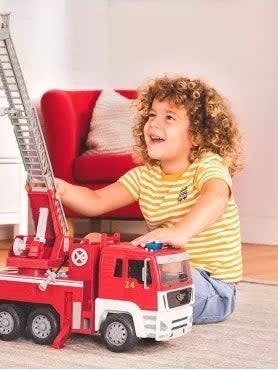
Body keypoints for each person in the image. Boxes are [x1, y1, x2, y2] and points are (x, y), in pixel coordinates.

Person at [53, 75, 243, 324]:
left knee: (145, 285)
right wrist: (61, 189)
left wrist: (179, 232)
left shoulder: (208, 166)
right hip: (163, 271)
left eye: (169, 117)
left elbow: (215, 198)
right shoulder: (145, 176)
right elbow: (96, 200)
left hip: (212, 286)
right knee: (119, 275)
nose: (154, 123)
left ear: (196, 135)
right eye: (152, 115)